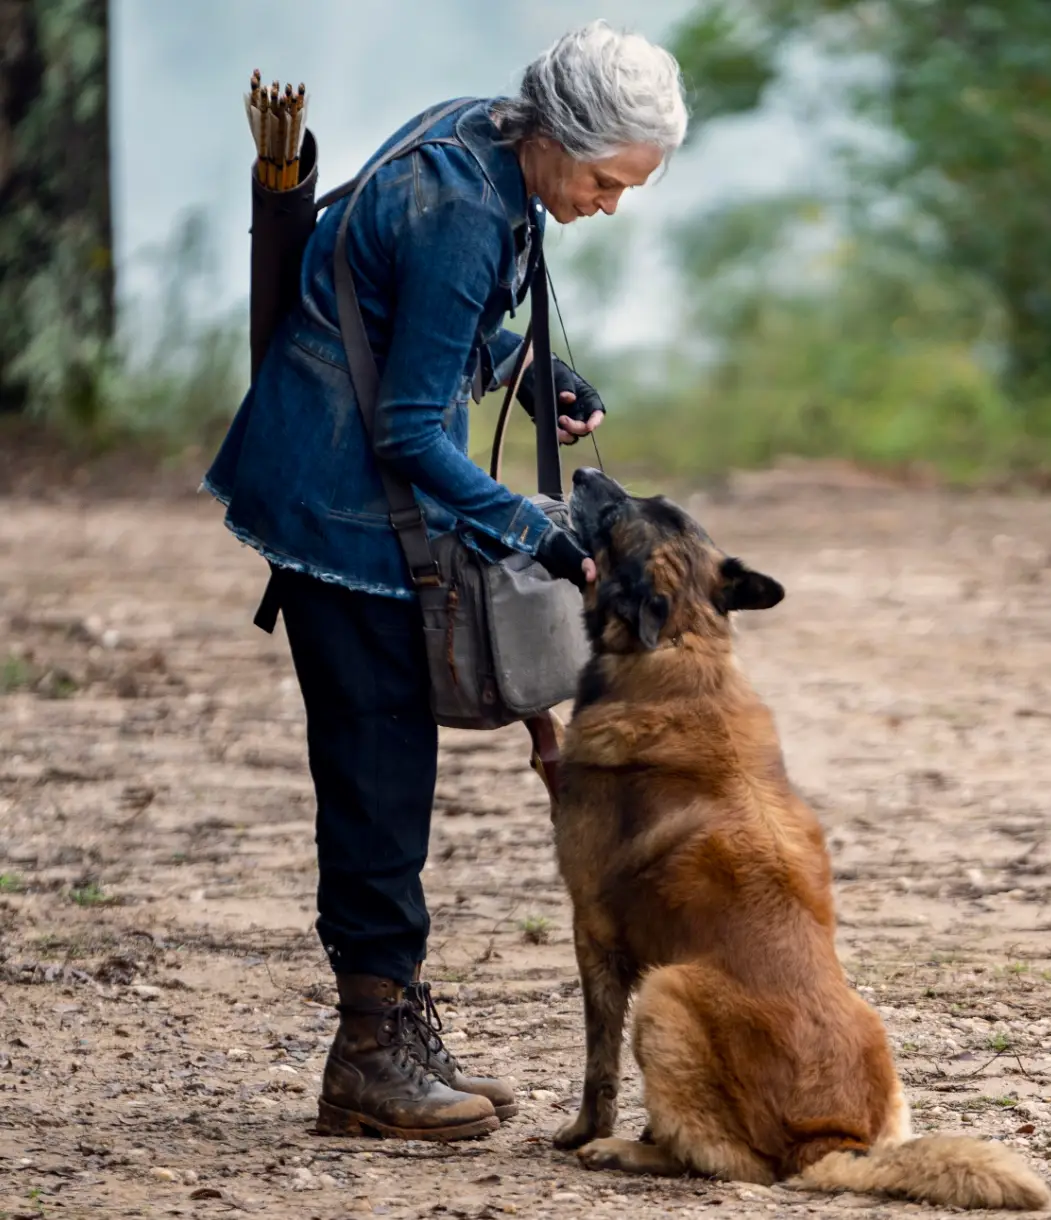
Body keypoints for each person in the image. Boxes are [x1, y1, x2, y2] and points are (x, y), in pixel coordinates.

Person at [202, 22, 688, 1141]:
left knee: (387, 765)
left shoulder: (479, 139)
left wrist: (528, 372)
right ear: (556, 136)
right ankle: (370, 1053)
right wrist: (546, 536)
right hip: (340, 509)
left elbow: (416, 327)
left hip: (349, 489)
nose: (612, 204)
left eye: (631, 188)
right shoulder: (464, 204)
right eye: (607, 181)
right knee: (378, 774)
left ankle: (394, 1031)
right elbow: (415, 429)